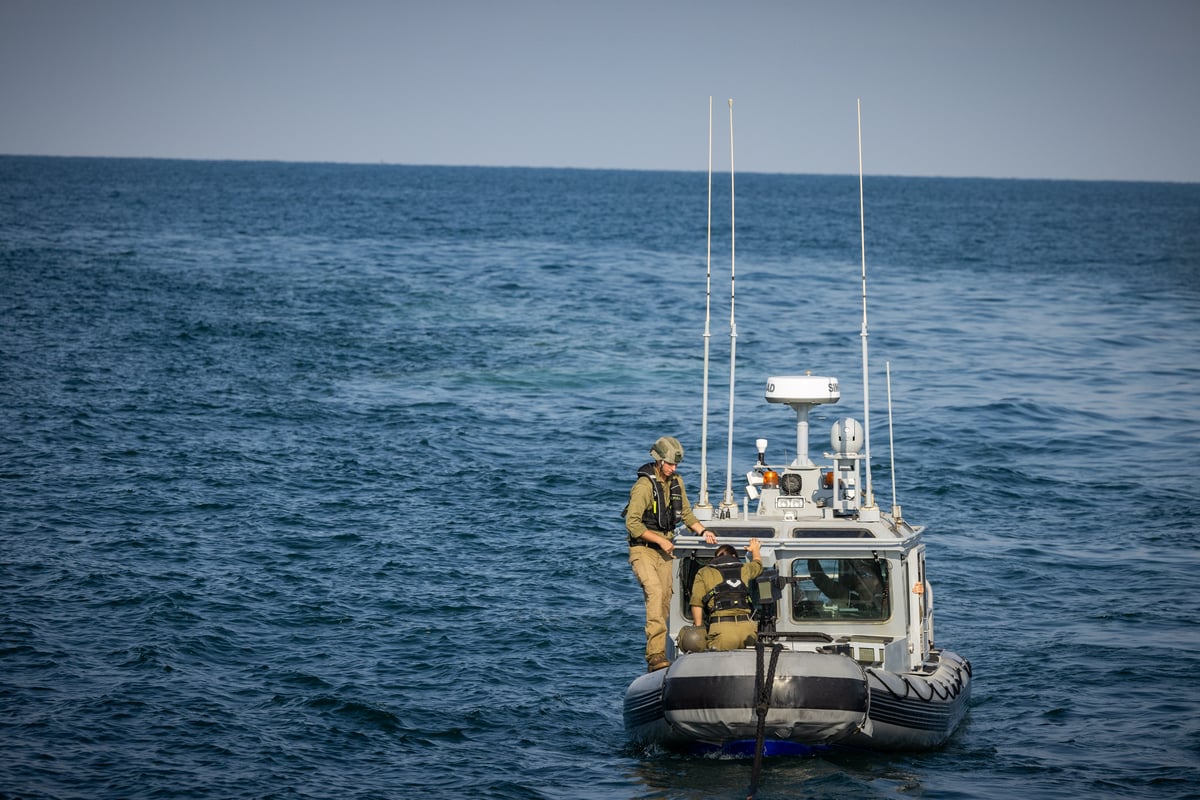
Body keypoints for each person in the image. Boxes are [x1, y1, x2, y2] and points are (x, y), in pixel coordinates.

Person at [626, 436, 717, 672]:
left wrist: (704, 531)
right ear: (658, 460)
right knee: (655, 592)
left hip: (665, 550)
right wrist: (661, 541)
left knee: (666, 599)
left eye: (676, 465)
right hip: (643, 550)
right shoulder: (644, 487)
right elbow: (633, 524)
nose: (673, 469)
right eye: (669, 464)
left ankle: (663, 652)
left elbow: (686, 514)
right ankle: (655, 655)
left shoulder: (677, 482)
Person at [690, 539, 763, 651]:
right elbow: (757, 565)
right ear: (734, 556)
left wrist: (699, 629)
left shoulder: (704, 572)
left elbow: (696, 602)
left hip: (721, 630)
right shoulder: (744, 568)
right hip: (747, 629)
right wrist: (755, 550)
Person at [806, 558, 886, 613]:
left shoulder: (886, 602)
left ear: (876, 580)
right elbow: (821, 581)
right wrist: (811, 559)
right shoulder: (849, 597)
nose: (858, 578)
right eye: (858, 574)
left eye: (864, 575)